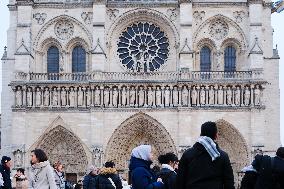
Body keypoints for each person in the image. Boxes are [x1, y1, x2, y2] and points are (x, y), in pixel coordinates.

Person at [176, 121, 234, 189]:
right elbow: (229, 183)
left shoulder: (187, 154)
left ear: (201, 134)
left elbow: (180, 181)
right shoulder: (222, 156)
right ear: (216, 136)